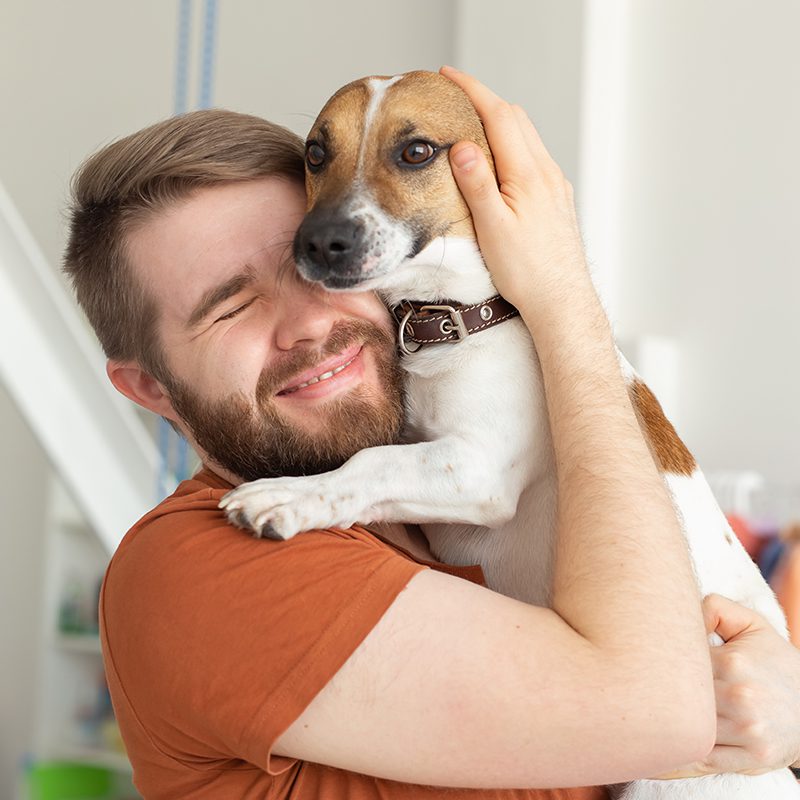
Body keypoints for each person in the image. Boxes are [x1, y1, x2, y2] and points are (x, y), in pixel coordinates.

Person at [63, 68, 800, 799]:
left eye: (317, 266)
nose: (311, 322)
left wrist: (784, 712)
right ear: (149, 387)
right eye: (231, 309)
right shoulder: (205, 568)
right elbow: (659, 714)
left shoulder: (416, 509)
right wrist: (562, 289)